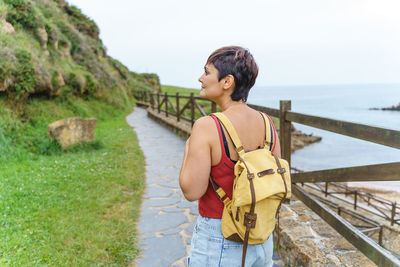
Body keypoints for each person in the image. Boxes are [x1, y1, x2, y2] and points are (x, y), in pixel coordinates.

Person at [179, 46, 281, 267]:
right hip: (261, 237)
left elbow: (191, 190)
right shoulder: (267, 123)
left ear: (227, 82)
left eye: (206, 72)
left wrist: (189, 146)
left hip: (220, 237)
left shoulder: (207, 126)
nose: (200, 78)